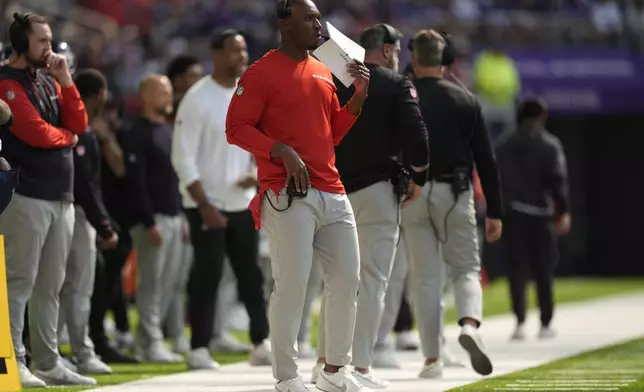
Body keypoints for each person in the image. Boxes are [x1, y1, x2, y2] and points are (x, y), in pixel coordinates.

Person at [225, 0, 370, 390]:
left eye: (318, 17)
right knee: (291, 286)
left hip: (331, 189)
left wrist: (357, 96)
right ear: (285, 24)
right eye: (308, 18)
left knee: (347, 280)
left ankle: (334, 371)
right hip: (287, 194)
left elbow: (332, 133)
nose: (317, 24)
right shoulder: (260, 73)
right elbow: (235, 128)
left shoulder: (324, 71)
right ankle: (286, 377)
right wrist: (281, 150)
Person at [312, 23, 429, 389]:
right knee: (372, 281)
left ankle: (325, 364)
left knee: (336, 282)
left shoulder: (330, 76)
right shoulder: (396, 85)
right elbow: (417, 135)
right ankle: (359, 367)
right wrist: (419, 176)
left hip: (332, 188)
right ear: (390, 49)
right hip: (377, 191)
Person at [401, 29, 503, 379]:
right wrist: (496, 211)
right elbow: (486, 160)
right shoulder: (464, 98)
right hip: (455, 192)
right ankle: (469, 326)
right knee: (465, 268)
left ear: (413, 60)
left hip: (412, 193)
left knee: (425, 279)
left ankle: (432, 360)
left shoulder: (405, 95)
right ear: (445, 61)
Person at [0, 12, 93, 387]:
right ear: (21, 44)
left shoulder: (50, 79)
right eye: (42, 41)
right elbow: (35, 132)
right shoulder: (7, 81)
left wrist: (67, 81)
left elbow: (80, 123)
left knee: (51, 285)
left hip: (60, 195)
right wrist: (67, 138)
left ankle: (48, 361)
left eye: (50, 39)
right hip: (26, 193)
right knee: (20, 281)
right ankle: (14, 360)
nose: (50, 48)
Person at [172, 28, 271, 370]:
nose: (242, 57)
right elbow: (182, 158)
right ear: (216, 54)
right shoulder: (197, 98)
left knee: (250, 276)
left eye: (244, 50)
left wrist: (256, 174)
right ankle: (198, 347)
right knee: (207, 275)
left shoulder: (247, 94)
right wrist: (203, 205)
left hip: (240, 200)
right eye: (234, 50)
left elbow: (259, 142)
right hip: (206, 203)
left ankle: (261, 342)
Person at [58, 69, 118, 375]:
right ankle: (81, 351)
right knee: (78, 288)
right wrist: (103, 223)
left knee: (60, 286)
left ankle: (59, 350)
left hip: (71, 211)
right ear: (101, 95)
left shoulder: (76, 127)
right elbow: (87, 185)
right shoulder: (83, 131)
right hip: (79, 215)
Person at [496, 98, 571, 341]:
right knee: (543, 270)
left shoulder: (505, 144)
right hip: (541, 216)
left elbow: (497, 181)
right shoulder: (550, 144)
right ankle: (545, 323)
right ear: (542, 116)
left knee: (517, 270)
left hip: (515, 213)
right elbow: (558, 181)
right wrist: (563, 211)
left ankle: (519, 322)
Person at [122, 74, 184, 364]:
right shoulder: (139, 132)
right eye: (161, 91)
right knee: (150, 283)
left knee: (167, 283)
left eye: (169, 91)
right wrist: (148, 221)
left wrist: (181, 215)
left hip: (172, 216)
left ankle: (147, 339)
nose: (167, 96)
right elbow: (136, 182)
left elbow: (174, 179)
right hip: (153, 220)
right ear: (145, 95)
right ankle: (151, 341)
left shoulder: (167, 131)